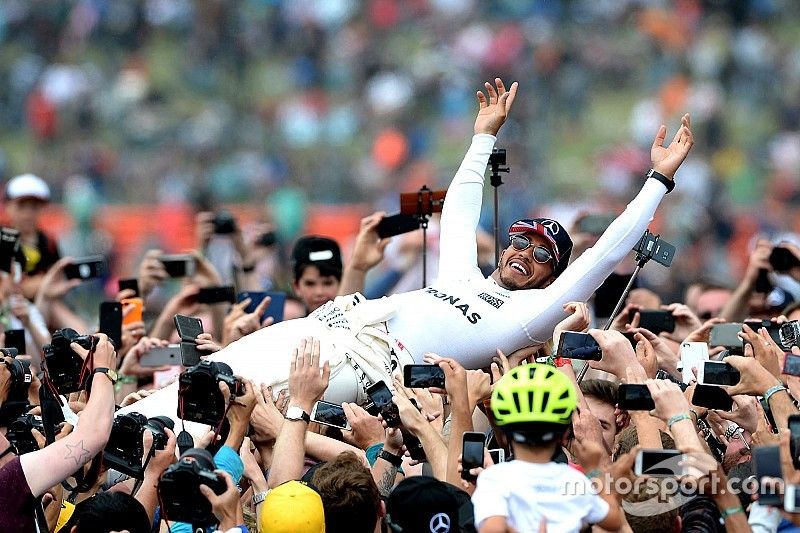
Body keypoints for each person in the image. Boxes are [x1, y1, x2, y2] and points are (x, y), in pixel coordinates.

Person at [123, 78, 695, 421]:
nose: (523, 251)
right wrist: (483, 136)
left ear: (553, 276)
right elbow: (460, 210)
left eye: (541, 253)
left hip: (361, 363)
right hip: (329, 323)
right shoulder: (464, 277)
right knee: (208, 372)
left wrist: (657, 182)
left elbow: (603, 256)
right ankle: (103, 428)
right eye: (519, 238)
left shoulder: (527, 316)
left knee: (223, 402)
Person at [471, 362, 624, 531]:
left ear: (504, 434)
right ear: (566, 433)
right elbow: (614, 521)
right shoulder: (575, 482)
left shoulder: (493, 479)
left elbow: (493, 529)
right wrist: (594, 468)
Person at [4, 174, 61, 300]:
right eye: (21, 206)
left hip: (42, 305)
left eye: (34, 207)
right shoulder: (4, 240)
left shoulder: (48, 243)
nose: (27, 214)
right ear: (7, 206)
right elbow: (8, 288)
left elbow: (58, 278)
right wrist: (43, 283)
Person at [291, 236, 344, 314]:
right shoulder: (285, 324)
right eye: (310, 284)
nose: (319, 292)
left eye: (328, 283)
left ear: (341, 283)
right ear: (296, 287)